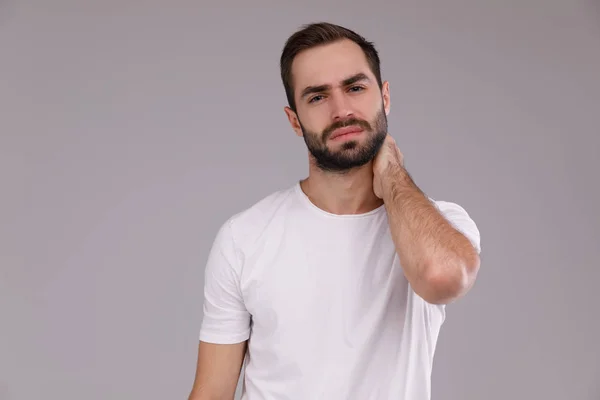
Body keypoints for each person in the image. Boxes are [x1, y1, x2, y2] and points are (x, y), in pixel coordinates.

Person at [188, 22, 482, 400]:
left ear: (385, 98)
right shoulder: (244, 236)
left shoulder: (440, 223)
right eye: (317, 97)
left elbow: (441, 277)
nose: (342, 110)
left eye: (356, 88)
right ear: (294, 120)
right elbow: (211, 392)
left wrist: (391, 170)